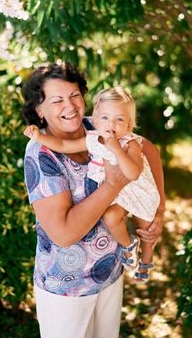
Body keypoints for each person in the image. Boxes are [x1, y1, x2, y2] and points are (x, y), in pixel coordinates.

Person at [22, 62, 165, 338]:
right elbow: (63, 234)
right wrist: (112, 185)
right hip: (68, 289)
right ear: (39, 110)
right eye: (57, 100)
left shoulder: (97, 125)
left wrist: (158, 209)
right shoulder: (40, 155)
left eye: (75, 95)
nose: (70, 106)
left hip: (109, 274)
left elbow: (146, 148)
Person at [24, 86, 160, 282]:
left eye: (119, 119)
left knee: (147, 234)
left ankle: (146, 261)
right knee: (111, 216)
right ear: (96, 117)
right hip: (119, 197)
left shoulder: (129, 143)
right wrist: (39, 137)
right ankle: (129, 246)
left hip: (138, 193)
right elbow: (63, 146)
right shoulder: (95, 138)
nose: (111, 124)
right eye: (105, 118)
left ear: (129, 123)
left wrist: (117, 150)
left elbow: (133, 173)